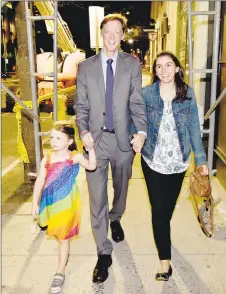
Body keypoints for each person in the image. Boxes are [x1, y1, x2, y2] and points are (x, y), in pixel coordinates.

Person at [74, 13, 147, 284]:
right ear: (101, 34)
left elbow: (137, 103)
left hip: (122, 142)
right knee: (96, 198)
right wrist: (82, 132)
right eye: (108, 32)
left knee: (122, 187)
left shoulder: (132, 65)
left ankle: (116, 217)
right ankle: (103, 252)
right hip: (95, 142)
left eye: (118, 32)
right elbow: (80, 106)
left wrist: (140, 132)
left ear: (122, 35)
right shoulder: (86, 67)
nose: (113, 36)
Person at [140, 51, 209, 281]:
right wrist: (136, 136)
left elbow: (192, 128)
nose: (164, 70)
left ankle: (163, 233)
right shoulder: (147, 94)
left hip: (178, 162)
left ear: (178, 68)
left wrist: (200, 160)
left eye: (169, 65)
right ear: (155, 71)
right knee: (158, 211)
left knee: (166, 210)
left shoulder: (187, 94)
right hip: (152, 160)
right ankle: (165, 263)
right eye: (159, 67)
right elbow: (136, 121)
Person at [31, 122, 97, 293]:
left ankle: (60, 271)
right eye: (52, 137)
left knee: (63, 237)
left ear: (69, 141)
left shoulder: (73, 157)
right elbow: (39, 181)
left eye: (59, 138)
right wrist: (34, 203)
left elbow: (92, 166)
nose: (54, 141)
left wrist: (91, 150)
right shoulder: (48, 158)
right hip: (50, 202)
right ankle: (62, 261)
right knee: (58, 233)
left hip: (67, 204)